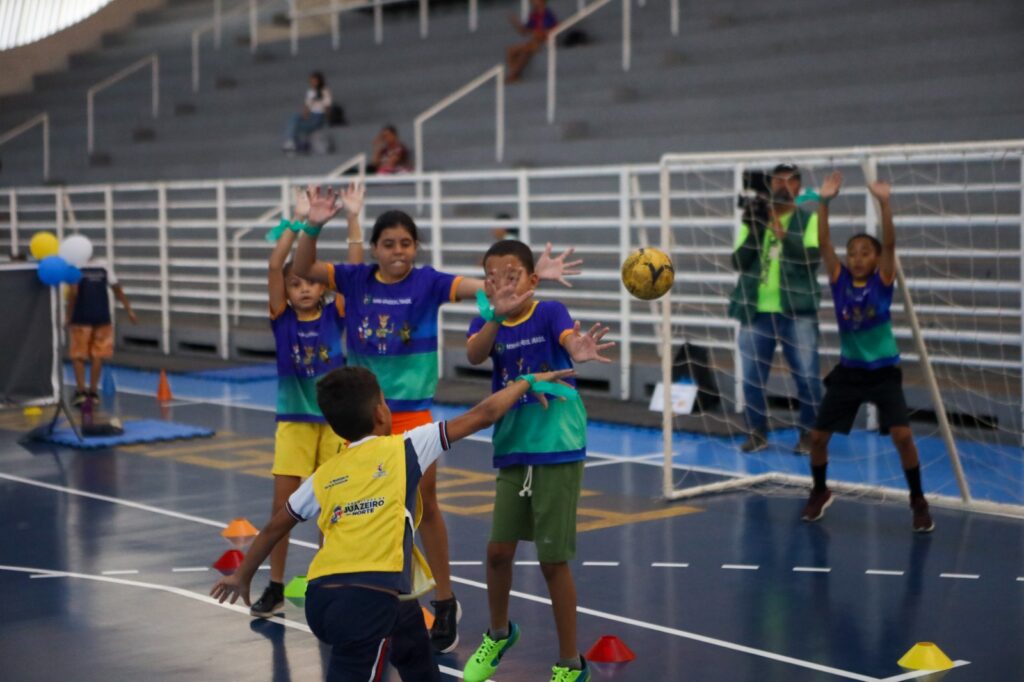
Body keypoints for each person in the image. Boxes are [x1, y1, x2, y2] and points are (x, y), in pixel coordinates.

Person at [292, 193, 581, 654]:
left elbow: (478, 289)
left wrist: (524, 281)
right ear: (374, 249)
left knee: (424, 501)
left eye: (407, 243)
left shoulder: (428, 283)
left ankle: (444, 601)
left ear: (416, 247)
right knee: (342, 500)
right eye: (388, 243)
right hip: (363, 417)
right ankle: (345, 580)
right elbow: (303, 267)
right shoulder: (353, 279)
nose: (398, 251)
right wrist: (313, 225)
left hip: (408, 412)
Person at [211, 364, 577, 682]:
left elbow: (276, 526)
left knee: (412, 642)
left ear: (339, 432)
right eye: (384, 400)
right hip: (366, 601)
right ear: (382, 413)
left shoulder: (325, 473)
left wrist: (243, 574)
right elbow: (484, 414)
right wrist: (527, 380)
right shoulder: (408, 447)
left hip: (322, 598)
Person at [462, 239, 613, 682]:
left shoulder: (549, 312)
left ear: (532, 279)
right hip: (513, 446)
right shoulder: (485, 321)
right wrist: (494, 313)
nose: (503, 283)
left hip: (558, 446)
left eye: (513, 275)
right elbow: (474, 353)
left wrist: (576, 347)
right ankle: (498, 632)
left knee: (552, 561)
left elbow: (567, 336)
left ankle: (570, 663)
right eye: (494, 276)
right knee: (496, 552)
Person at [248, 183, 366, 619]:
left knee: (332, 509)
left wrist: (353, 215)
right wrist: (298, 222)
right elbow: (276, 262)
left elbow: (353, 269)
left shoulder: (337, 315)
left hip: (335, 425)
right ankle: (276, 585)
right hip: (294, 423)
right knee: (284, 508)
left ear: (322, 289)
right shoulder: (281, 320)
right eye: (294, 284)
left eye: (308, 283)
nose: (300, 289)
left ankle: (326, 582)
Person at [802, 171, 934, 532]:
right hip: (849, 372)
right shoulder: (840, 280)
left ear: (876, 259)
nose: (857, 258)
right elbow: (825, 242)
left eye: (865, 253)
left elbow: (890, 244)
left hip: (883, 372)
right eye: (853, 253)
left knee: (902, 436)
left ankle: (918, 500)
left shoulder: (883, 281)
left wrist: (884, 202)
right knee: (817, 438)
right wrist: (824, 202)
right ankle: (819, 490)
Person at [728, 162, 823, 454]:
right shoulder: (753, 220)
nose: (783, 185)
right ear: (769, 185)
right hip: (756, 310)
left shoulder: (808, 220)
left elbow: (812, 259)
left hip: (797, 310)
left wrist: (784, 236)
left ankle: (809, 435)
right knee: (752, 379)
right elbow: (738, 263)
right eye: (777, 180)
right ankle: (757, 432)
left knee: (807, 377)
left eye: (789, 180)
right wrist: (758, 230)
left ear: (798, 186)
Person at [65, 257, 136, 406]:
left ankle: (81, 392)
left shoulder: (74, 266)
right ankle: (93, 393)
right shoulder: (103, 266)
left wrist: (68, 315)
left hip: (81, 317)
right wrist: (128, 309)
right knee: (97, 355)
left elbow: (74, 293)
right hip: (102, 317)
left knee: (78, 355)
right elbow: (117, 288)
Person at [506, 0, 557, 82]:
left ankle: (512, 76)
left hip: (543, 43)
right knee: (510, 50)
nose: (532, 2)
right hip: (533, 42)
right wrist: (515, 22)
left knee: (526, 51)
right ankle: (514, 75)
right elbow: (524, 31)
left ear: (542, 2)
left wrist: (538, 33)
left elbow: (550, 30)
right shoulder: (534, 15)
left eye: (534, 1)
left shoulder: (548, 15)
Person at [283, 71, 332, 153]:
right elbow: (307, 107)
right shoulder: (311, 92)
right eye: (311, 81)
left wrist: (327, 118)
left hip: (319, 116)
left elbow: (327, 107)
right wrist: (304, 114)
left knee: (297, 125)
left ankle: (293, 142)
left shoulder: (324, 91)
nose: (312, 83)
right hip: (311, 115)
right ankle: (291, 141)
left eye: (314, 81)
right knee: (294, 119)